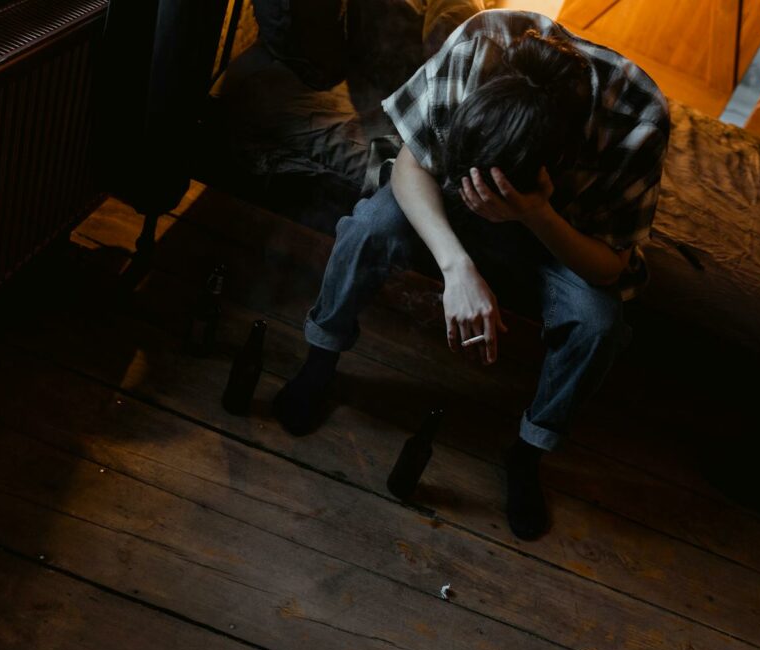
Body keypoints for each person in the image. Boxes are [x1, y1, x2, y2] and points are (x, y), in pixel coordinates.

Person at [273, 9, 670, 540]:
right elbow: (412, 163)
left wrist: (535, 213)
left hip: (559, 229)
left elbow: (611, 266)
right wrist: (456, 267)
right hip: (451, 193)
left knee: (598, 324)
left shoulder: (640, 121)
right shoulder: (479, 45)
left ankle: (528, 451)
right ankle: (320, 361)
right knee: (368, 227)